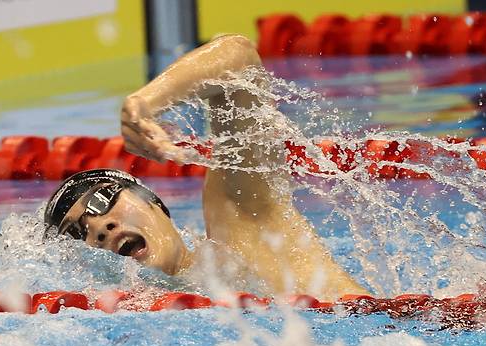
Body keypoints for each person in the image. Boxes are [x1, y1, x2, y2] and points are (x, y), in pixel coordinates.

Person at [45, 35, 366, 300]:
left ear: (152, 201)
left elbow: (239, 59)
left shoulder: (240, 230)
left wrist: (144, 103)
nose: (100, 227)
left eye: (101, 201)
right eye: (78, 232)